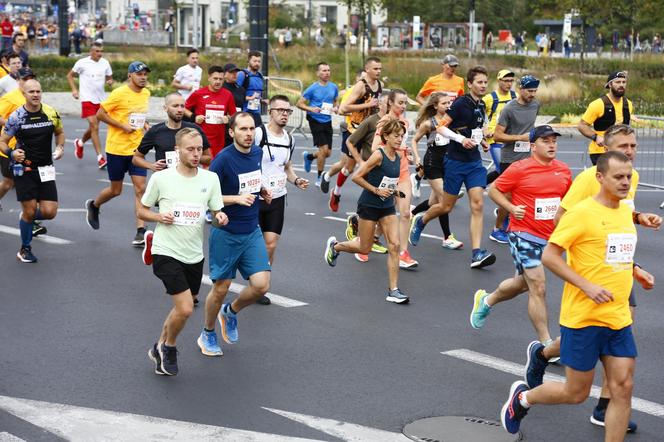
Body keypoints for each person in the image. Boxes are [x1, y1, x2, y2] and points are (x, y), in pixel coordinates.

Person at [500, 151, 656, 440]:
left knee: (622, 388)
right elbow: (550, 255)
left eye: (629, 177)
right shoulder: (581, 213)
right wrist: (587, 286)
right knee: (575, 393)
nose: (626, 182)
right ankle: (523, 399)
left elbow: (608, 252)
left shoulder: (624, 211)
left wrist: (636, 270)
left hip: (618, 317)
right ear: (600, 178)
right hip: (584, 318)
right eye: (618, 177)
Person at [470, 125, 571, 346]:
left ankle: (487, 300)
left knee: (522, 284)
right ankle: (546, 344)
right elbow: (494, 189)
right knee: (538, 286)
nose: (552, 144)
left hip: (550, 238)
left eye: (554, 140)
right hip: (523, 233)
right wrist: (511, 208)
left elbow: (567, 203)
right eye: (546, 141)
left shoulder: (563, 170)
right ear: (533, 146)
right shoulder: (520, 168)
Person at [140, 127, 227, 376]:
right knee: (187, 308)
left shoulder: (210, 179)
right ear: (177, 150)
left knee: (180, 307)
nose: (196, 154)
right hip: (165, 250)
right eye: (190, 149)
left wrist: (220, 216)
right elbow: (141, 211)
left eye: (200, 149)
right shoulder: (161, 179)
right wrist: (158, 216)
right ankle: (169, 347)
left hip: (194, 254)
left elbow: (216, 211)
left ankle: (157, 346)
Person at [197, 112, 272, 357]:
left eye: (251, 129)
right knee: (221, 288)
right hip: (226, 232)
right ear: (232, 132)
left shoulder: (258, 153)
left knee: (261, 286)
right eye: (243, 129)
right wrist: (236, 199)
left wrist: (261, 191)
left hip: (251, 229)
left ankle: (230, 312)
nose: (248, 134)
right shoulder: (223, 160)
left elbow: (250, 181)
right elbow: (206, 197)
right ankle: (207, 332)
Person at [409, 66, 496, 269]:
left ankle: (476, 253)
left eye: (485, 82)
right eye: (479, 82)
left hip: (474, 162)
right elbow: (441, 127)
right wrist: (460, 139)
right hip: (455, 161)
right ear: (470, 84)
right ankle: (421, 221)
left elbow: (475, 129)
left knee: (478, 204)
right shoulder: (459, 103)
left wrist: (482, 140)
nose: (483, 85)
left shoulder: (481, 105)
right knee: (446, 206)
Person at [325, 118, 409, 304]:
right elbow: (357, 177)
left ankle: (393, 290)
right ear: (386, 136)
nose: (399, 139)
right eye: (396, 136)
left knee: (394, 246)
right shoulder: (378, 155)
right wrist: (377, 190)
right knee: (365, 247)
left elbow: (387, 180)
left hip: (386, 206)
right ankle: (336, 246)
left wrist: (395, 191)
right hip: (369, 205)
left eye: (402, 136)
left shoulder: (400, 156)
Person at [85, 61, 151, 245]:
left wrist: (145, 125)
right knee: (116, 190)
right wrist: (122, 126)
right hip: (116, 148)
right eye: (139, 74)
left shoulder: (146, 93)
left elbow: (138, 113)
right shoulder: (119, 93)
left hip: (136, 149)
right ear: (130, 75)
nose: (143, 77)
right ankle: (94, 205)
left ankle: (140, 230)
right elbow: (100, 114)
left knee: (141, 189)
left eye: (145, 74)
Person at [0, 79, 64, 263]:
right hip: (24, 169)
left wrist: (60, 147)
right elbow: (2, 141)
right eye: (31, 92)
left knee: (50, 212)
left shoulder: (51, 112)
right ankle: (25, 249)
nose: (36, 94)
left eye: (38, 91)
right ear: (24, 94)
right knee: (30, 211)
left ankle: (26, 217)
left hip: (46, 168)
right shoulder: (17, 117)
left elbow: (60, 132)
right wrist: (12, 153)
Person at [255, 95, 309, 304]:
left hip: (277, 197)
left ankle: (260, 287)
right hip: (257, 197)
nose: (285, 114)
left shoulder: (290, 139)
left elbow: (286, 167)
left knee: (270, 244)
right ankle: (251, 273)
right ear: (271, 111)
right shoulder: (259, 134)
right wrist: (258, 187)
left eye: (288, 111)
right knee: (252, 242)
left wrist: (296, 180)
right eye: (280, 110)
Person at [489, 75, 541, 243]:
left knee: (526, 193)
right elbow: (497, 136)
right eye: (529, 91)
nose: (532, 94)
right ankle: (496, 229)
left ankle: (515, 221)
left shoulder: (536, 105)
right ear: (520, 89)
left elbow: (530, 128)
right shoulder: (509, 109)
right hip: (510, 158)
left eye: (534, 91)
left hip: (528, 157)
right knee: (508, 197)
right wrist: (521, 138)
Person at [371, 89, 419, 269]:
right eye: (400, 102)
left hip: (404, 172)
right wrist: (396, 148)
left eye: (405, 103)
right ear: (390, 103)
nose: (404, 106)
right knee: (381, 213)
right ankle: (366, 240)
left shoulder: (405, 122)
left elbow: (402, 146)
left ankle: (403, 253)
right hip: (387, 173)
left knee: (405, 213)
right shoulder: (384, 122)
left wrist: (407, 154)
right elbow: (376, 147)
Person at [410, 92, 463, 250]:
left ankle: (413, 214)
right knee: (444, 201)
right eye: (444, 103)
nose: (448, 106)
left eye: (449, 103)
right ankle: (447, 237)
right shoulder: (429, 123)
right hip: (433, 163)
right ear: (435, 106)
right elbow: (414, 140)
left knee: (434, 203)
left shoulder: (451, 121)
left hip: (448, 163)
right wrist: (417, 157)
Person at [335, 58, 383, 210]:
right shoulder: (361, 86)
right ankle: (336, 192)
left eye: (380, 69)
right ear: (367, 69)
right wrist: (367, 104)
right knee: (349, 168)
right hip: (355, 129)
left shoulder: (380, 85)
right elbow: (343, 109)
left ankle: (371, 201)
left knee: (372, 163)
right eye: (375, 69)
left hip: (371, 130)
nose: (379, 71)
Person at [68, 42, 113, 169]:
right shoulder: (82, 63)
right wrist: (74, 90)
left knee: (94, 127)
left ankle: (80, 142)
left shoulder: (105, 63)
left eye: (101, 51)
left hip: (101, 100)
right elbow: (70, 76)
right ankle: (100, 157)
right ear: (91, 52)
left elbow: (109, 76)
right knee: (94, 125)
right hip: (87, 98)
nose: (100, 53)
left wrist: (110, 81)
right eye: (97, 51)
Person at [318, 70, 362, 198]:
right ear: (357, 79)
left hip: (364, 132)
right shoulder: (351, 92)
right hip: (350, 131)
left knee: (358, 163)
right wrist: (356, 113)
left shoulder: (369, 93)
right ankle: (327, 175)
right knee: (345, 164)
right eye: (362, 79)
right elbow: (341, 111)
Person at [579, 71, 633, 165]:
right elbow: (582, 126)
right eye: (618, 82)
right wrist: (596, 137)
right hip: (601, 151)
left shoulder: (628, 104)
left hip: (620, 151)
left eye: (623, 82)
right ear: (610, 84)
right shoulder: (598, 104)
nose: (621, 85)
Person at [298, 62, 339, 187]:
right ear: (318, 73)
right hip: (315, 120)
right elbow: (299, 103)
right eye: (324, 70)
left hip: (327, 119)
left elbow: (336, 100)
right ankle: (319, 178)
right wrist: (311, 109)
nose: (327, 73)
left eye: (328, 70)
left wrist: (336, 107)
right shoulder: (312, 88)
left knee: (328, 153)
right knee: (323, 150)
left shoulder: (333, 87)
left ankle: (310, 157)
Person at [185, 65, 236, 158]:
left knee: (215, 168)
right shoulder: (198, 93)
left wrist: (228, 118)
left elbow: (234, 115)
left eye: (221, 79)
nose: (218, 82)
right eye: (215, 78)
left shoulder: (227, 95)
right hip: (201, 139)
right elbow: (184, 109)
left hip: (219, 141)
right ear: (209, 78)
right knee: (203, 167)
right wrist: (194, 117)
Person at [483, 69, 516, 184]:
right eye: (506, 81)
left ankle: (477, 185)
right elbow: (478, 115)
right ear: (499, 81)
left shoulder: (515, 96)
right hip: (495, 139)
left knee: (499, 169)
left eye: (511, 81)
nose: (509, 84)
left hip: (511, 139)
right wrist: (485, 130)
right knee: (504, 170)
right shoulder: (489, 98)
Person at [236, 51, 265, 127]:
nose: (257, 63)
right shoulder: (242, 74)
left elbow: (257, 94)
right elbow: (235, 95)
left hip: (256, 112)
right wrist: (250, 98)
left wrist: (262, 100)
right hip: (244, 112)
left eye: (259, 61)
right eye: (254, 61)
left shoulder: (260, 76)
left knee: (259, 135)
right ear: (248, 61)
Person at [221, 63, 245, 148]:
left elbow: (242, 106)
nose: (235, 74)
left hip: (237, 123)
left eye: (236, 72)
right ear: (225, 74)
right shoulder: (221, 89)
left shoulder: (241, 89)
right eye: (232, 72)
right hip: (223, 125)